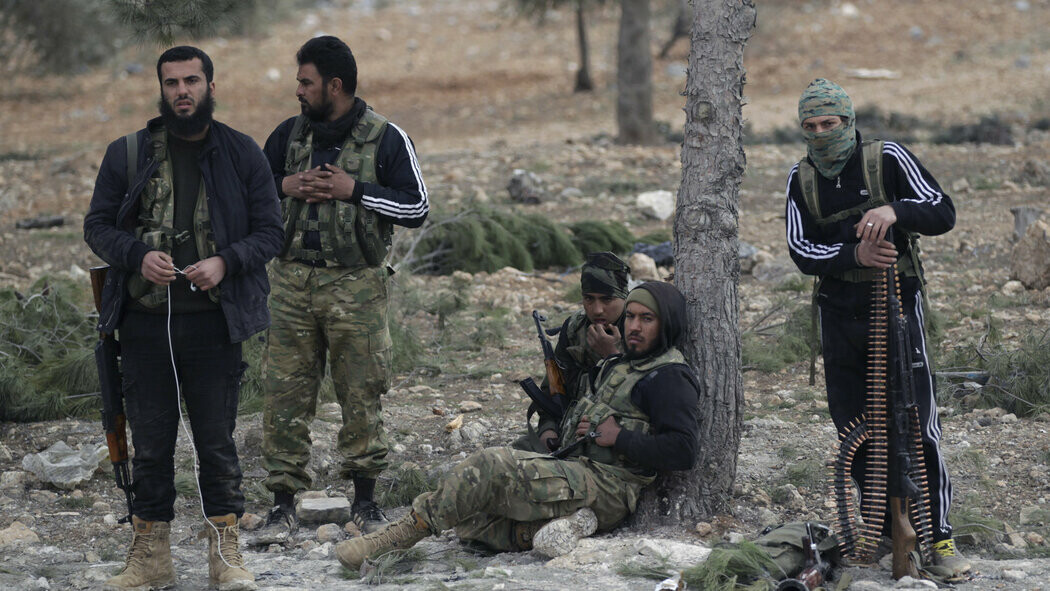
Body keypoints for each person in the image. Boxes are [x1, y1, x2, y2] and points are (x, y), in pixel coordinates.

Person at [83, 46, 283, 590]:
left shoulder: (242, 153)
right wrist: (137, 256)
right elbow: (97, 226)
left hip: (216, 324)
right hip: (145, 324)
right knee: (151, 445)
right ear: (161, 90)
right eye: (171, 83)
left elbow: (271, 231)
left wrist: (226, 261)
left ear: (210, 87)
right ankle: (150, 558)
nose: (182, 92)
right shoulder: (127, 153)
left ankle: (225, 557)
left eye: (191, 81)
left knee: (217, 443)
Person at [333, 281, 700, 569]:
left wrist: (618, 437)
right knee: (471, 519)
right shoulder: (625, 362)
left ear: (666, 324)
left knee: (488, 467)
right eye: (631, 316)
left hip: (608, 486)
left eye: (646, 319)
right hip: (577, 470)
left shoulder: (668, 377)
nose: (633, 326)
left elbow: (684, 450)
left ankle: (394, 538)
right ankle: (548, 531)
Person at [784, 78, 968, 575]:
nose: (820, 134)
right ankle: (886, 532)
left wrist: (894, 210)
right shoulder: (801, 178)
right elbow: (801, 249)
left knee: (915, 424)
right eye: (810, 126)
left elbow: (942, 211)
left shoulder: (886, 159)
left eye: (829, 123)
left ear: (848, 121)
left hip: (896, 308)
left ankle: (939, 540)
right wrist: (854, 255)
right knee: (855, 427)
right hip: (839, 314)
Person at [257, 35, 429, 539]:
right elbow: (247, 193)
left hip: (357, 287)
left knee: (361, 392)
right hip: (291, 284)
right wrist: (284, 185)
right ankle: (282, 504)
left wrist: (354, 191)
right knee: (284, 395)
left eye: (305, 82)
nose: (298, 91)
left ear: (334, 85)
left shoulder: (387, 137)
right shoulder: (287, 135)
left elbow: (416, 207)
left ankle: (366, 503)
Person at [514, 251, 630, 453]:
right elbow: (554, 390)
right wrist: (548, 430)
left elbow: (643, 395)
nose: (597, 309)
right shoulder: (575, 329)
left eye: (607, 299)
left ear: (624, 297)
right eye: (589, 299)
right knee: (518, 451)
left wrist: (611, 355)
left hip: (618, 435)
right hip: (573, 427)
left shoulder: (638, 330)